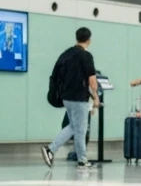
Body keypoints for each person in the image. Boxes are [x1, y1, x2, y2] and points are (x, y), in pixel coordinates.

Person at [42, 28, 99, 170]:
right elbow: (92, 80)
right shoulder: (86, 56)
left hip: (66, 97)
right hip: (79, 97)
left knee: (74, 127)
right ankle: (81, 160)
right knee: (81, 129)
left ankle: (51, 150)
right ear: (89, 40)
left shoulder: (66, 54)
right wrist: (96, 97)